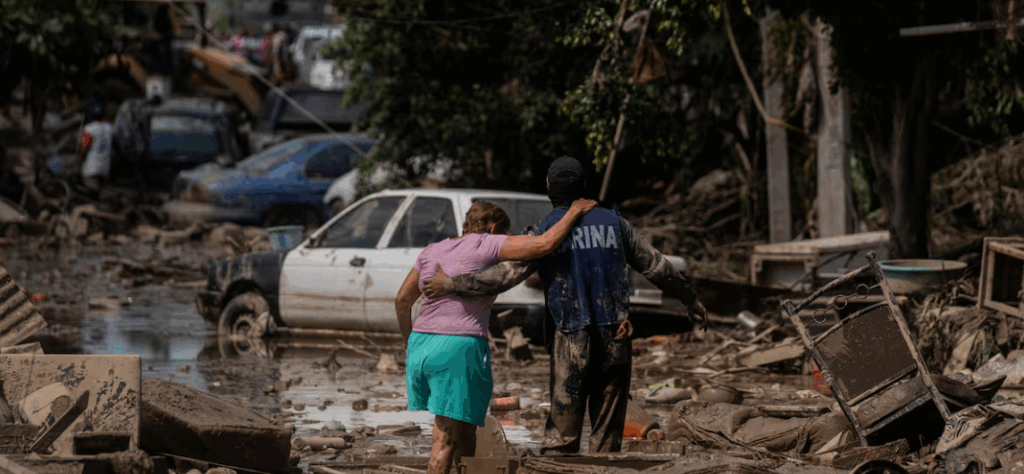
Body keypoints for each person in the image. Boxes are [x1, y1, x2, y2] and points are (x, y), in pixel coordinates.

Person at [422, 156, 708, 455]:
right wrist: (691, 300)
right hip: (616, 336)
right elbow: (658, 267)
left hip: (570, 336)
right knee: (607, 431)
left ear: (550, 188)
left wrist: (452, 284)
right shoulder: (616, 223)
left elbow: (503, 277)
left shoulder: (546, 230)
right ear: (583, 186)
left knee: (561, 435)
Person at [395, 198, 597, 474]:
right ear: (492, 227)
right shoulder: (487, 243)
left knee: (465, 428)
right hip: (457, 346)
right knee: (445, 438)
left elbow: (402, 301)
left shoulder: (433, 249)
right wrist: (573, 212)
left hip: (421, 345)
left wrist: (409, 343)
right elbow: (543, 244)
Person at [78, 102, 114, 194]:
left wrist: (79, 162)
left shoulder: (89, 129)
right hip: (105, 169)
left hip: (90, 169)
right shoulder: (110, 128)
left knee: (91, 195)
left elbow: (84, 148)